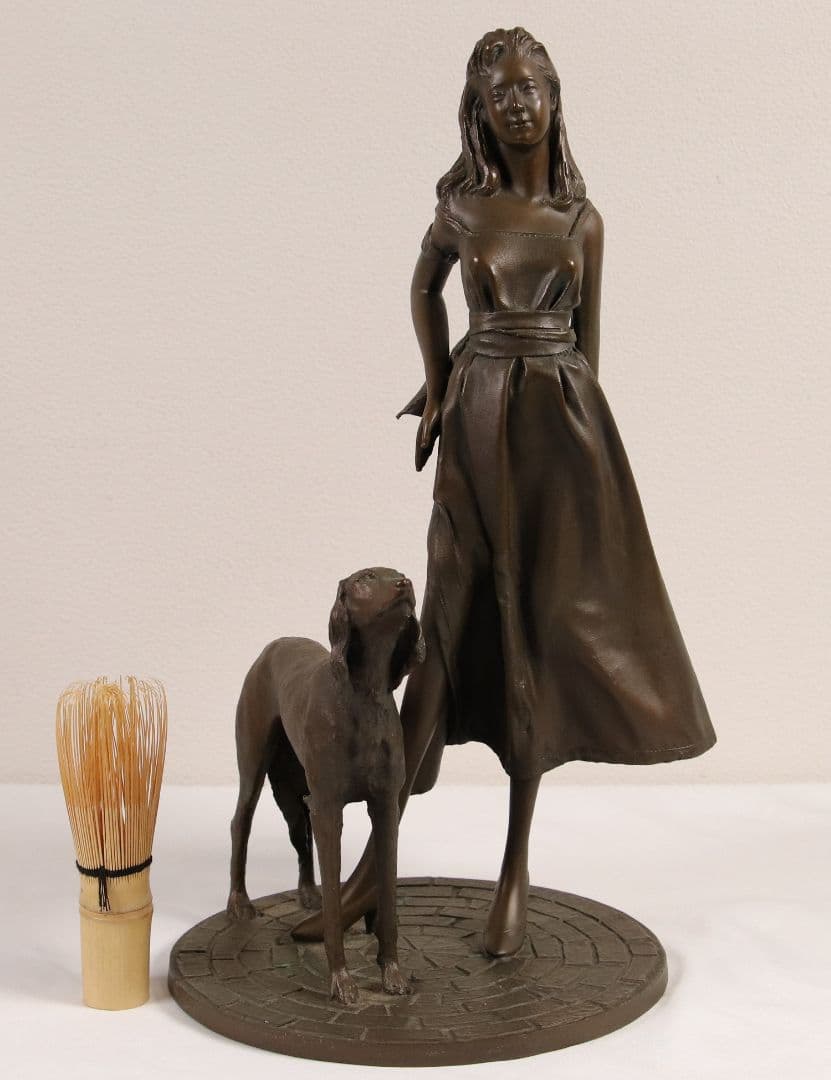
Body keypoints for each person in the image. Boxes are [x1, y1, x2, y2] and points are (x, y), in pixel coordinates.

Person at [294, 26, 716, 956]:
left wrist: (585, 470)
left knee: (534, 639)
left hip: (560, 448)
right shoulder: (460, 210)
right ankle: (369, 874)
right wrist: (440, 381)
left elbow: (587, 354)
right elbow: (422, 291)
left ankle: (513, 874)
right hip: (475, 430)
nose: (518, 104)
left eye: (532, 88)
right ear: (477, 111)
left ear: (555, 99)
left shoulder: (582, 221)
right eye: (500, 93)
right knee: (445, 631)